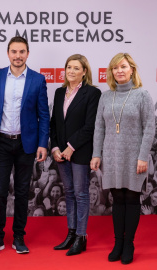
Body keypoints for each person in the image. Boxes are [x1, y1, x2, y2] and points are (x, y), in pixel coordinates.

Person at [0, 36, 50, 255]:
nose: (17, 56)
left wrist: (43, 143)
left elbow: (44, 114)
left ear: (28, 54)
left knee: (23, 192)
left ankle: (19, 237)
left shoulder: (38, 79)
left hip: (26, 143)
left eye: (22, 52)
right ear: (8, 53)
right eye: (14, 51)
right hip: (1, 143)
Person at [91, 53, 155, 264]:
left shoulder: (142, 95)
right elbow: (99, 127)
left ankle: (129, 244)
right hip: (111, 156)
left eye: (123, 66)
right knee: (117, 198)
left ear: (132, 70)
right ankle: (118, 243)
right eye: (115, 68)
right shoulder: (106, 97)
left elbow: (149, 129)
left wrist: (143, 156)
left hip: (135, 157)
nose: (119, 70)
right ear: (111, 72)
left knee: (131, 198)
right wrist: (97, 154)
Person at [50, 54, 101, 256]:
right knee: (69, 193)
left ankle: (81, 236)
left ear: (84, 72)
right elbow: (54, 123)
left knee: (81, 194)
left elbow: (90, 126)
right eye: (68, 67)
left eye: (76, 68)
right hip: (61, 153)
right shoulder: (59, 92)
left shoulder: (92, 93)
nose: (71, 71)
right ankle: (71, 234)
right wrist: (55, 148)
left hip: (79, 152)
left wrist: (71, 146)